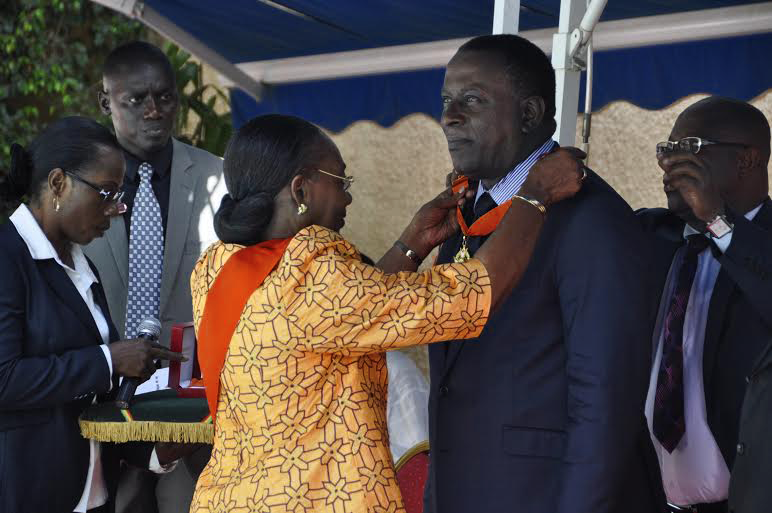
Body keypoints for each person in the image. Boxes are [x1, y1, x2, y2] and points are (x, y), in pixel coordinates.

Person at [187, 113, 584, 512]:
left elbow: (344, 319)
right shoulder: (312, 271)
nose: (347, 197)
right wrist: (534, 195)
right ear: (300, 189)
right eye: (341, 181)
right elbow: (474, 292)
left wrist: (412, 243)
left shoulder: (218, 269)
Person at [423, 34, 661, 513]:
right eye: (447, 101)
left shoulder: (589, 217)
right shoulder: (463, 216)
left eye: (472, 100)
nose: (449, 116)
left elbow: (604, 405)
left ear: (530, 114)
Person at [0, 116, 185, 513]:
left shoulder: (83, 266)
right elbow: (5, 378)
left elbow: (89, 399)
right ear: (57, 183)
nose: (117, 209)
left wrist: (156, 448)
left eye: (120, 195)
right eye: (106, 193)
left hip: (94, 495)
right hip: (26, 492)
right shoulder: (7, 259)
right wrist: (109, 359)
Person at [83, 41, 225, 512]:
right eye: (136, 99)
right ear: (106, 102)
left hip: (192, 404)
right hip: (102, 400)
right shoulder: (76, 186)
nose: (154, 110)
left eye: (165, 97)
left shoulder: (216, 178)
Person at [637, 96, 772, 513]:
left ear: (746, 160)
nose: (669, 164)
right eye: (667, 149)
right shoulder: (652, 235)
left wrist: (719, 220)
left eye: (690, 147)